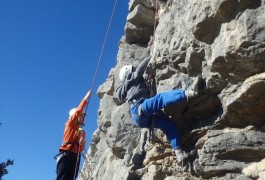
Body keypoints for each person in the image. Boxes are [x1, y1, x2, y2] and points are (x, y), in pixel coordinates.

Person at [116, 55, 200, 164]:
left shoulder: (130, 86)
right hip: (139, 108)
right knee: (160, 99)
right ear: (128, 72)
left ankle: (179, 155)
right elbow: (141, 68)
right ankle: (189, 93)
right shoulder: (131, 77)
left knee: (169, 126)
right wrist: (151, 56)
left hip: (141, 118)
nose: (134, 68)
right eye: (132, 68)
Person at [55, 90, 92, 180]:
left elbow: (81, 149)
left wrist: (82, 143)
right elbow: (78, 111)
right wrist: (86, 98)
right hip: (66, 154)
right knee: (62, 177)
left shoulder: (82, 132)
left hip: (75, 157)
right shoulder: (70, 124)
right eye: (82, 116)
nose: (83, 118)